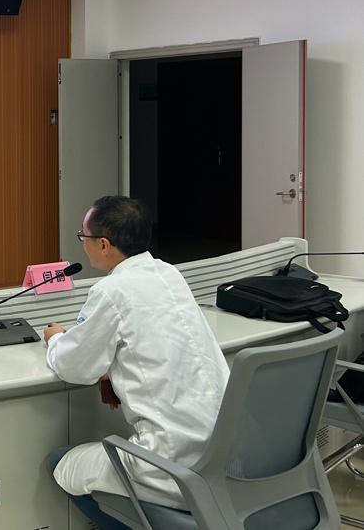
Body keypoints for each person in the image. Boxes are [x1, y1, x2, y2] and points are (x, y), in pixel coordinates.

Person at [43, 196, 229, 529]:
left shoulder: (111, 290)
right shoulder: (169, 274)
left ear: (103, 244)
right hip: (221, 455)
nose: (82, 243)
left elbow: (74, 366)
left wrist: (55, 338)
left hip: (169, 463)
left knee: (62, 465)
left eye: (83, 237)